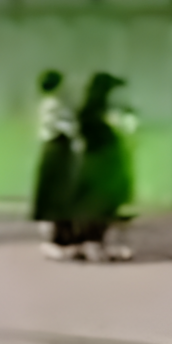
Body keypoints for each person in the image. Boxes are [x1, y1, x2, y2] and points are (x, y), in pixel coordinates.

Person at [68, 72, 136, 263]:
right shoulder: (94, 113)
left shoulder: (93, 110)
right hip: (101, 166)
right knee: (98, 206)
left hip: (98, 164)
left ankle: (91, 244)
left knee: (98, 206)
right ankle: (92, 244)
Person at [32, 70, 81, 261]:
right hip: (56, 151)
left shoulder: (55, 103)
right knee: (55, 196)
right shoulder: (53, 104)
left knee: (62, 196)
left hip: (59, 152)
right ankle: (54, 241)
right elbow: (65, 127)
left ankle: (64, 239)